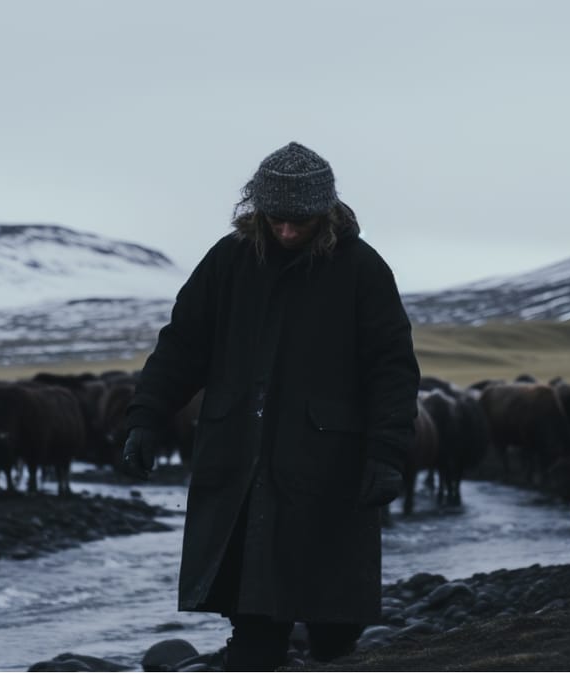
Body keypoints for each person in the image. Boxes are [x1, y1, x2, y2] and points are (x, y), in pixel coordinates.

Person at [122, 141, 420, 670]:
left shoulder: (362, 270)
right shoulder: (227, 261)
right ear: (256, 208)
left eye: (299, 221)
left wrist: (387, 453)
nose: (286, 232)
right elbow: (183, 344)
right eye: (276, 219)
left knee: (334, 620)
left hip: (329, 467)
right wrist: (147, 415)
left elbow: (392, 368)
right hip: (240, 458)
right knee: (253, 608)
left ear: (325, 211)